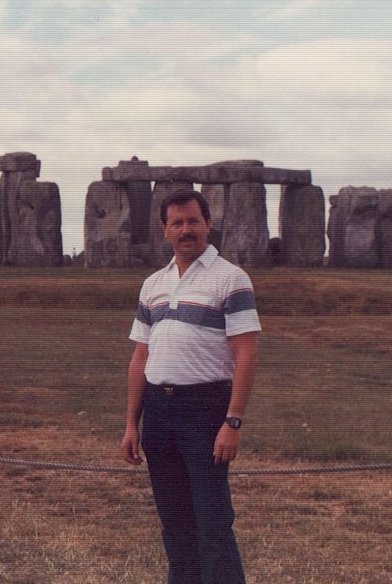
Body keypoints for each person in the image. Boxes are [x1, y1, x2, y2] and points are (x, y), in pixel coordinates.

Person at [120, 189, 260, 584]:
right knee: (175, 524)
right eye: (177, 223)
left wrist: (233, 422)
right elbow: (140, 358)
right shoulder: (153, 284)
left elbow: (247, 354)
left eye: (193, 221)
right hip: (158, 414)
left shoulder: (231, 278)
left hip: (205, 411)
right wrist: (131, 424)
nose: (186, 230)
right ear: (164, 229)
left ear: (208, 224)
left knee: (213, 523)